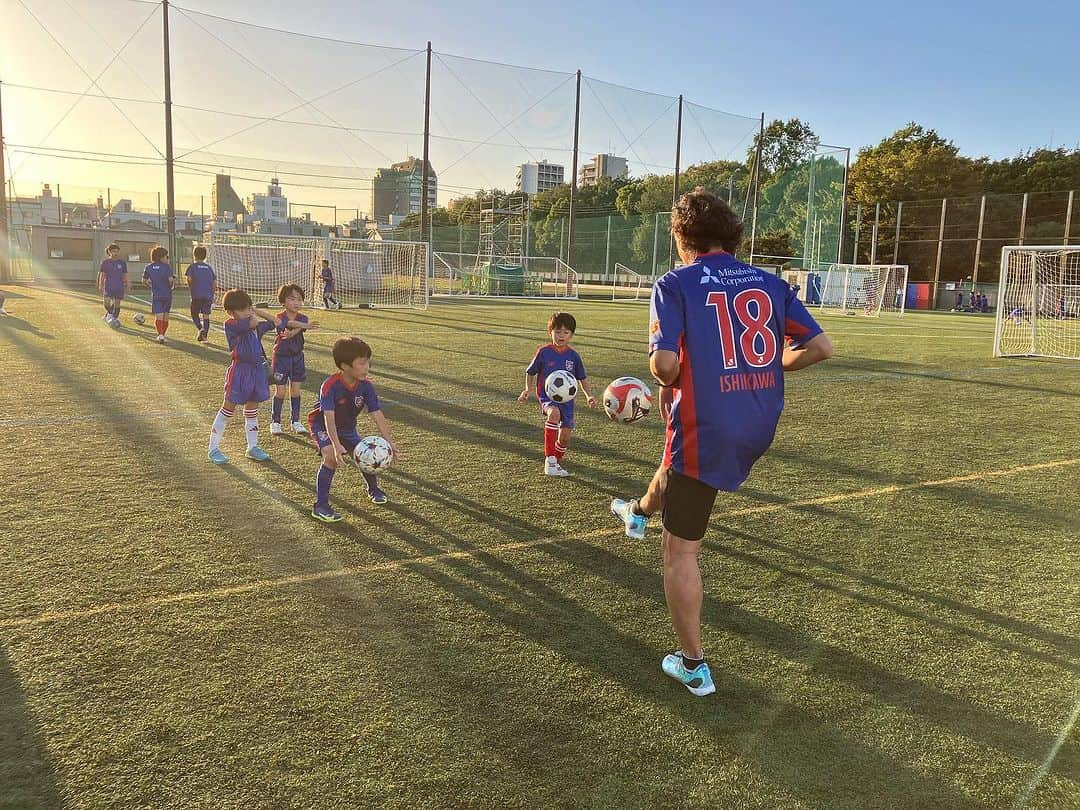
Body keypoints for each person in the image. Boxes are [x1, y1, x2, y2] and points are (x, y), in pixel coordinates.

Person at [610, 188, 833, 697]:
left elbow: (664, 366)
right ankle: (639, 513)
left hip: (709, 426)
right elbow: (820, 347)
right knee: (679, 460)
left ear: (681, 236)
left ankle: (693, 664)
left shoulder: (676, 283)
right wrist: (770, 365)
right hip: (757, 421)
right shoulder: (770, 283)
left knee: (680, 550)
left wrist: (672, 379)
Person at [308, 337, 400, 521]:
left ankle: (374, 490)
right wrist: (335, 444)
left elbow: (376, 413)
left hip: (348, 427)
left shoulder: (366, 386)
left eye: (368, 362)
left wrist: (389, 440)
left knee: (366, 453)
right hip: (323, 426)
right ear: (345, 366)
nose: (367, 367)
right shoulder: (330, 386)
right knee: (330, 458)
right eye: (362, 362)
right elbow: (328, 418)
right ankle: (321, 506)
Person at [517, 312, 597, 477]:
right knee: (554, 414)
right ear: (550, 332)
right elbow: (530, 372)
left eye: (566, 332)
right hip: (547, 397)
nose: (561, 335)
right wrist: (527, 389)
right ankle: (550, 460)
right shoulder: (544, 352)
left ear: (572, 335)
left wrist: (589, 395)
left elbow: (582, 378)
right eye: (558, 331)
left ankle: (555, 462)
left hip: (567, 400)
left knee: (565, 436)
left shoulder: (573, 356)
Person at [207, 289, 279, 464]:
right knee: (228, 409)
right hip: (239, 371)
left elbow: (277, 322)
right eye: (243, 309)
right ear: (231, 312)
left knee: (252, 409)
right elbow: (251, 323)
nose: (247, 312)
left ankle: (252, 447)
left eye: (248, 308)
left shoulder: (253, 324)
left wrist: (256, 310)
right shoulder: (231, 324)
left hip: (256, 371)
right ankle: (213, 448)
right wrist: (253, 316)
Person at [270, 284, 319, 435]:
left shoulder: (303, 318)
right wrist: (304, 326)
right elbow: (288, 324)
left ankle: (295, 421)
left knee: (296, 391)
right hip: (281, 358)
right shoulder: (279, 318)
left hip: (297, 357)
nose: (296, 302)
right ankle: (275, 421)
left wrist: (296, 331)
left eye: (299, 299)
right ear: (283, 301)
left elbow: (297, 327)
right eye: (292, 299)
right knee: (280, 391)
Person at [142, 245, 174, 343]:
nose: (167, 258)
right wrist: (172, 285)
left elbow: (144, 281)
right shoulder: (167, 267)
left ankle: (160, 335)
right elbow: (170, 280)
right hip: (167, 294)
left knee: (159, 315)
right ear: (161, 257)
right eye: (166, 257)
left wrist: (151, 285)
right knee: (166, 316)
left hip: (156, 294)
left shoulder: (149, 267)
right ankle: (162, 334)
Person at [185, 245, 217, 342]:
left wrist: (191, 286)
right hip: (208, 295)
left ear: (194, 255)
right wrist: (212, 294)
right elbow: (214, 282)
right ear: (205, 256)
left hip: (196, 295)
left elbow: (189, 279)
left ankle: (200, 328)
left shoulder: (192, 267)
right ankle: (205, 337)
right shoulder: (209, 268)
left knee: (194, 313)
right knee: (206, 315)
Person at [97, 242, 129, 327]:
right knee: (106, 303)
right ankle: (109, 314)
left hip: (119, 286)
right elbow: (102, 274)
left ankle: (114, 318)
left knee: (117, 303)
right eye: (114, 251)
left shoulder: (122, 263)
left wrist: (127, 283)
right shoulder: (105, 262)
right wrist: (101, 284)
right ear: (110, 252)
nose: (116, 253)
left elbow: (125, 274)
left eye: (117, 251)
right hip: (108, 286)